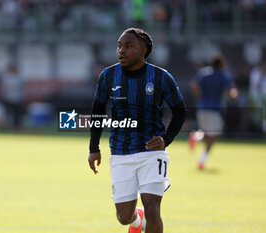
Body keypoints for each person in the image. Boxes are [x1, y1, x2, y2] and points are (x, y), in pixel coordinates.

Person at [88, 28, 186, 233]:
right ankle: (136, 221)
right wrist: (93, 148)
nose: (121, 51)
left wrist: (166, 139)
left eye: (128, 46)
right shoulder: (108, 76)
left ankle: (146, 218)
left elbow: (180, 111)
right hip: (121, 152)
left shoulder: (161, 77)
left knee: (153, 209)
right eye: (119, 46)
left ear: (143, 51)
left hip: (152, 152)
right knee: (124, 217)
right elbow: (97, 111)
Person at [190, 54, 237, 170]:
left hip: (202, 108)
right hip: (215, 110)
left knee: (207, 132)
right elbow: (231, 92)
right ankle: (202, 160)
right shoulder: (223, 75)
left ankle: (196, 136)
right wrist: (235, 95)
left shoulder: (204, 73)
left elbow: (194, 85)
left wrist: (199, 96)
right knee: (213, 137)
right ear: (221, 64)